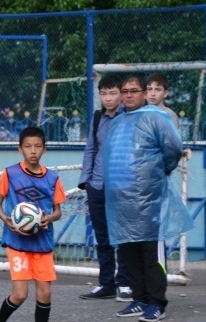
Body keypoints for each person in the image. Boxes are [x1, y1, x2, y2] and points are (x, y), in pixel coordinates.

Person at [103, 74, 190, 322]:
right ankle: (139, 299)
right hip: (121, 201)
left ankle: (156, 302)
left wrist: (157, 172)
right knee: (129, 252)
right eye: (125, 91)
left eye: (134, 90)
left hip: (149, 199)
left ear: (143, 93)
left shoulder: (157, 118)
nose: (129, 95)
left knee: (151, 253)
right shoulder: (117, 122)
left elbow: (173, 149)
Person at [0, 126, 66, 322]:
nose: (33, 151)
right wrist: (6, 219)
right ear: (20, 149)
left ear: (44, 149)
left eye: (38, 146)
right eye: (28, 146)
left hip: (42, 243)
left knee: (45, 293)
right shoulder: (10, 174)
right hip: (17, 243)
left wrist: (48, 218)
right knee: (20, 294)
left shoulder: (52, 178)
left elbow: (58, 211)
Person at [78, 73, 131, 302]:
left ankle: (125, 283)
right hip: (97, 185)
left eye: (112, 93)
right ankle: (106, 284)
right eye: (103, 93)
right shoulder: (97, 117)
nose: (108, 98)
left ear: (121, 94)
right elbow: (91, 149)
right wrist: (86, 181)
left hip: (122, 186)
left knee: (124, 236)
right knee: (103, 238)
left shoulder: (130, 116)